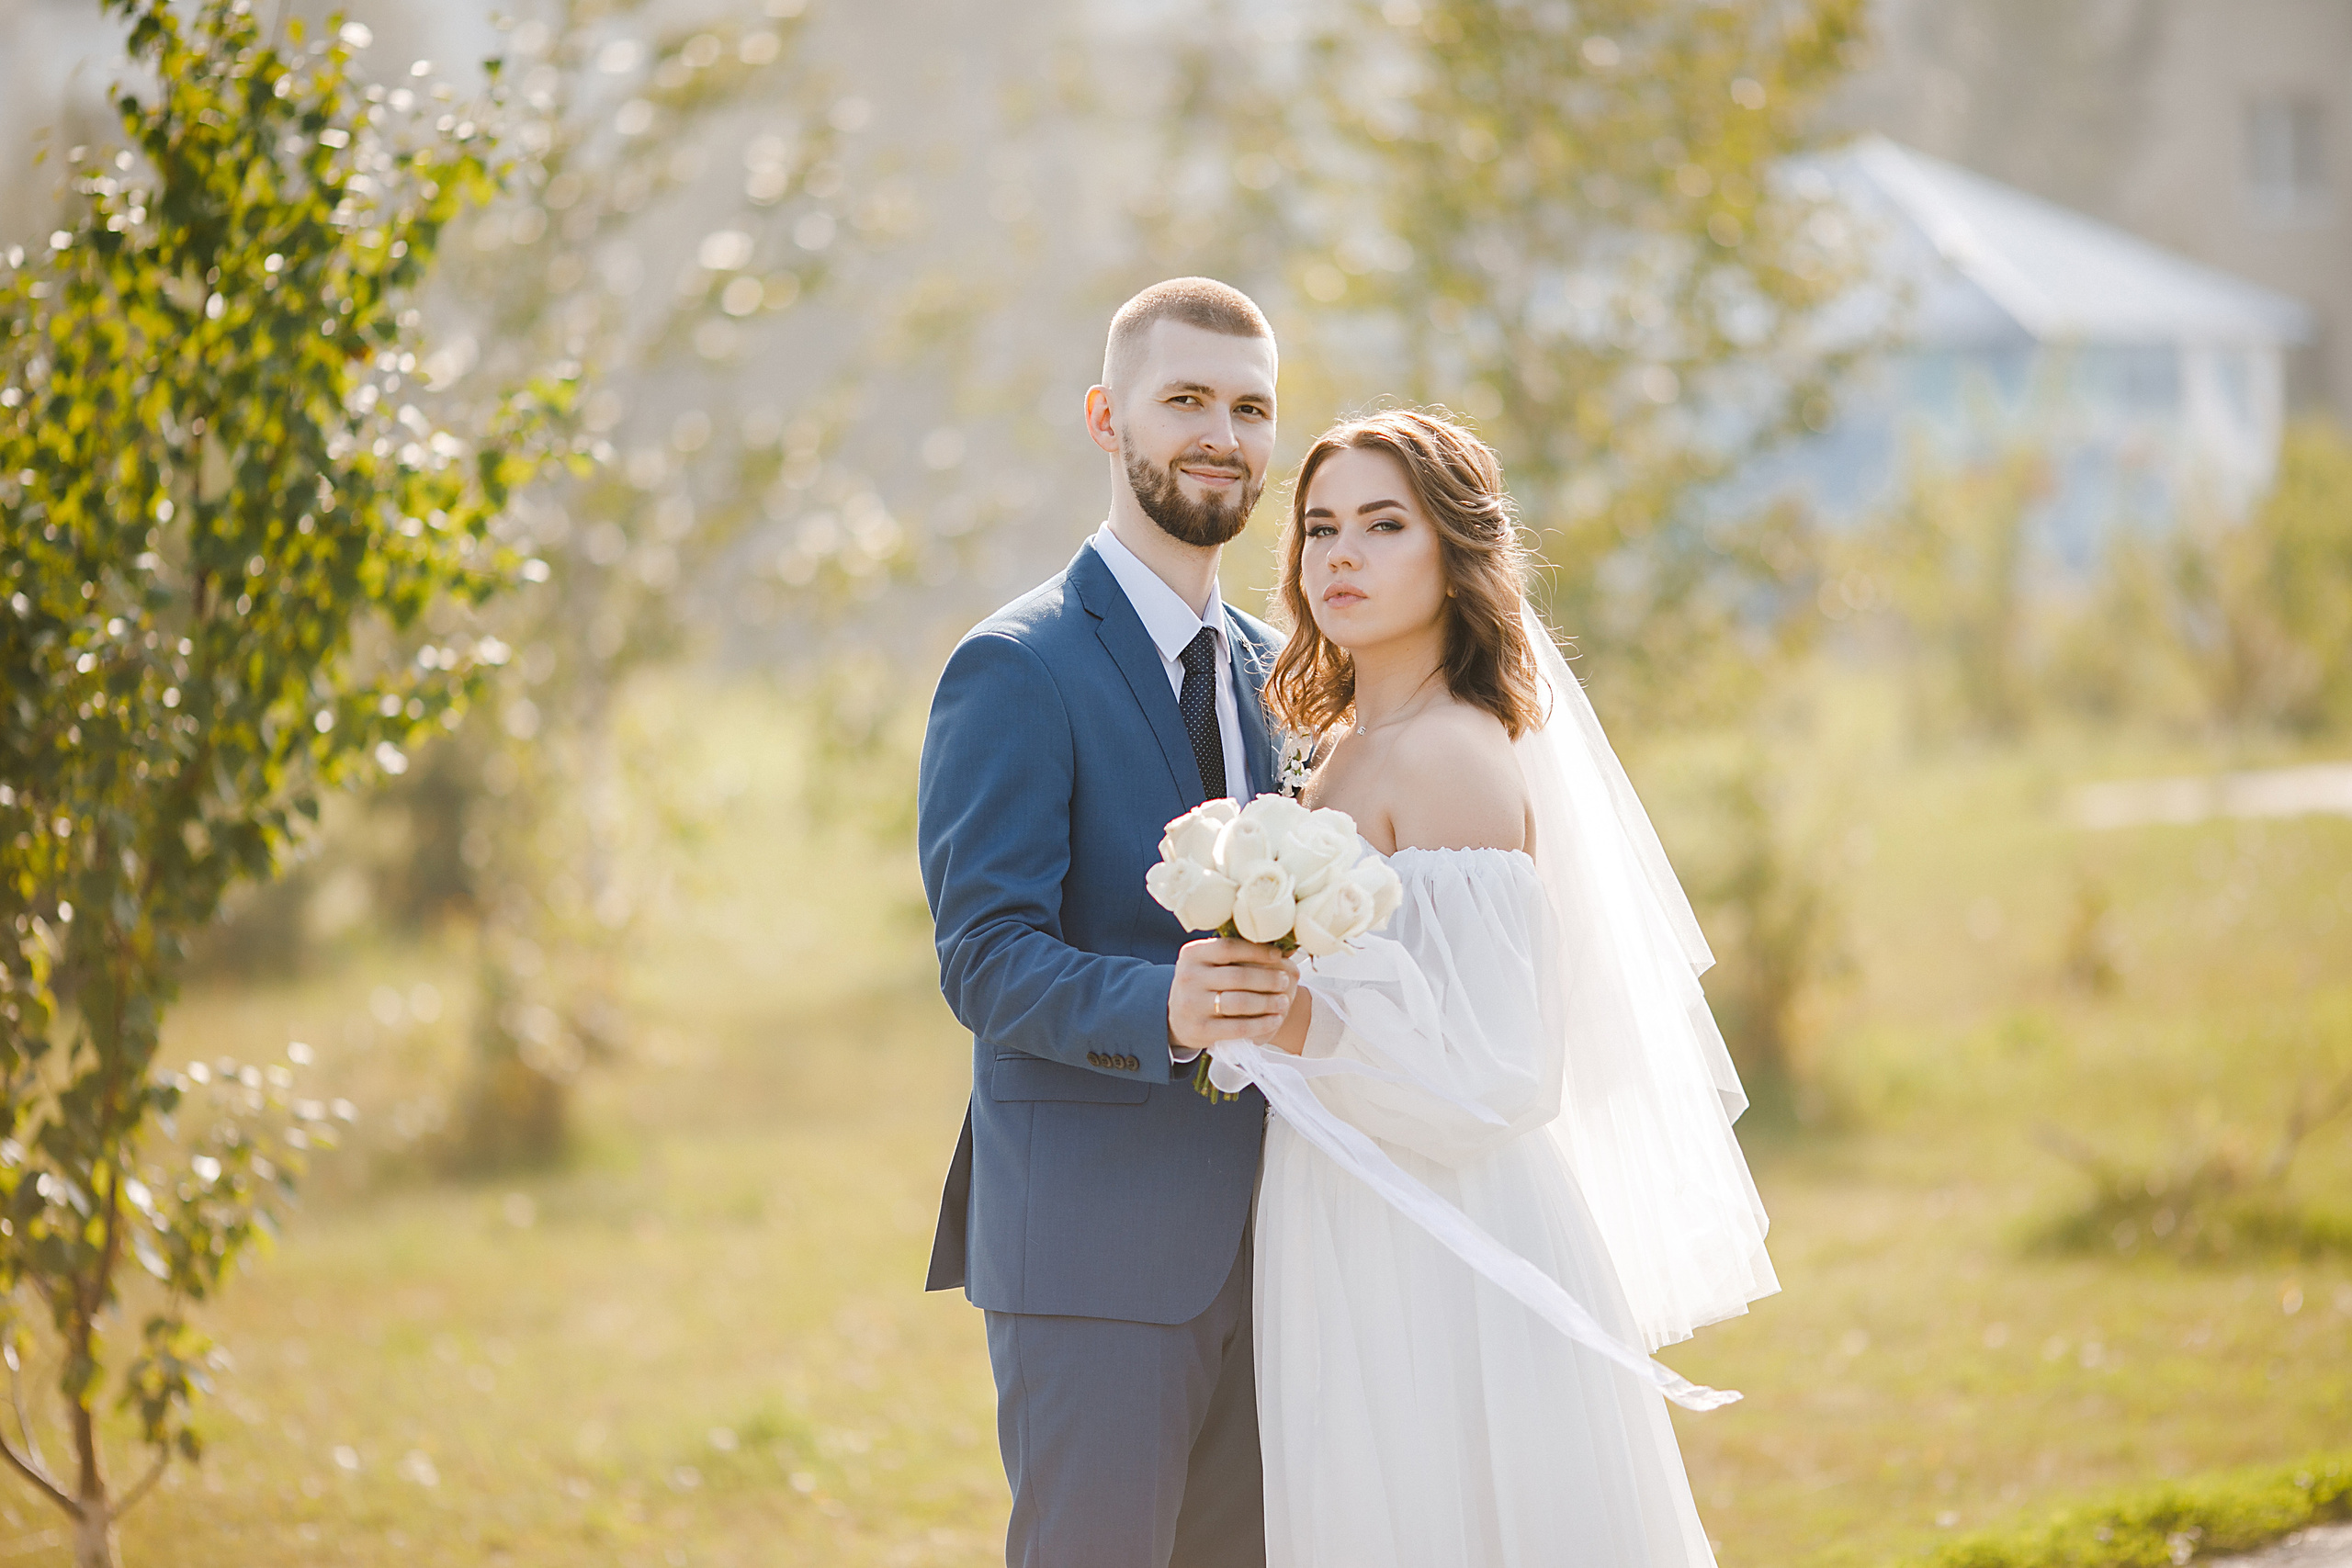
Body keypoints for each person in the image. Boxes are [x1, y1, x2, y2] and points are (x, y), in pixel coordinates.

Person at [1238, 408, 1781, 1567]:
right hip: (1339, 1201)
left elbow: (1497, 1072)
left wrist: (1291, 1014)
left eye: (1383, 525)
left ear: (1453, 555)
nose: (1340, 555)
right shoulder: (1337, 749)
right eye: (1320, 527)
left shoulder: (1450, 754)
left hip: (1446, 1231)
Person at [915, 277, 1298, 1568]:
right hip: (1095, 1256)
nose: (1221, 436)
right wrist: (1165, 1004)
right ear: (1105, 417)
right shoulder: (1016, 664)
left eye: (1250, 408)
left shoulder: (1281, 671)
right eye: (1185, 399)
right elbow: (984, 955)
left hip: (1285, 1250)